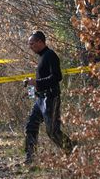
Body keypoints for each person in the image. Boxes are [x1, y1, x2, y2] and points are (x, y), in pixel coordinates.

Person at [24, 31, 74, 164]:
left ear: (40, 42)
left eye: (32, 43)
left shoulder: (50, 55)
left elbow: (57, 77)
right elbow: (43, 79)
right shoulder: (41, 56)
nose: (30, 46)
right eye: (29, 44)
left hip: (51, 98)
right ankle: (30, 158)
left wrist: (37, 82)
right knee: (31, 126)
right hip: (40, 99)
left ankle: (74, 152)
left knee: (52, 131)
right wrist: (33, 84)